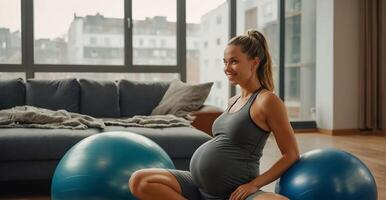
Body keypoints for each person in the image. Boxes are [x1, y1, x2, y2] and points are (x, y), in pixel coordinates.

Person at [128, 30, 300, 200]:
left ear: (254, 63)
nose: (227, 68)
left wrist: (255, 184)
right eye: (224, 62)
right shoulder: (233, 100)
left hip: (234, 194)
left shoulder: (267, 101)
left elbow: (291, 154)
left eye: (234, 62)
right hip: (198, 185)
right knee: (139, 181)